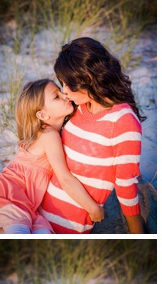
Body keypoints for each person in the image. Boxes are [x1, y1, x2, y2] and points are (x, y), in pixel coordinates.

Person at [39, 37, 145, 234]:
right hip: (37, 211)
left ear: (87, 78)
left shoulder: (122, 122)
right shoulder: (79, 107)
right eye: (62, 83)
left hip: (66, 226)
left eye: (68, 84)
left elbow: (126, 186)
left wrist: (138, 234)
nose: (65, 91)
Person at [0, 79, 104, 234]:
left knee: (44, 233)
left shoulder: (52, 133)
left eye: (60, 91)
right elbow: (65, 179)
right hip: (8, 199)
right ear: (42, 114)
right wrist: (93, 209)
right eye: (56, 96)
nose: (64, 95)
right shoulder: (48, 135)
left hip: (29, 207)